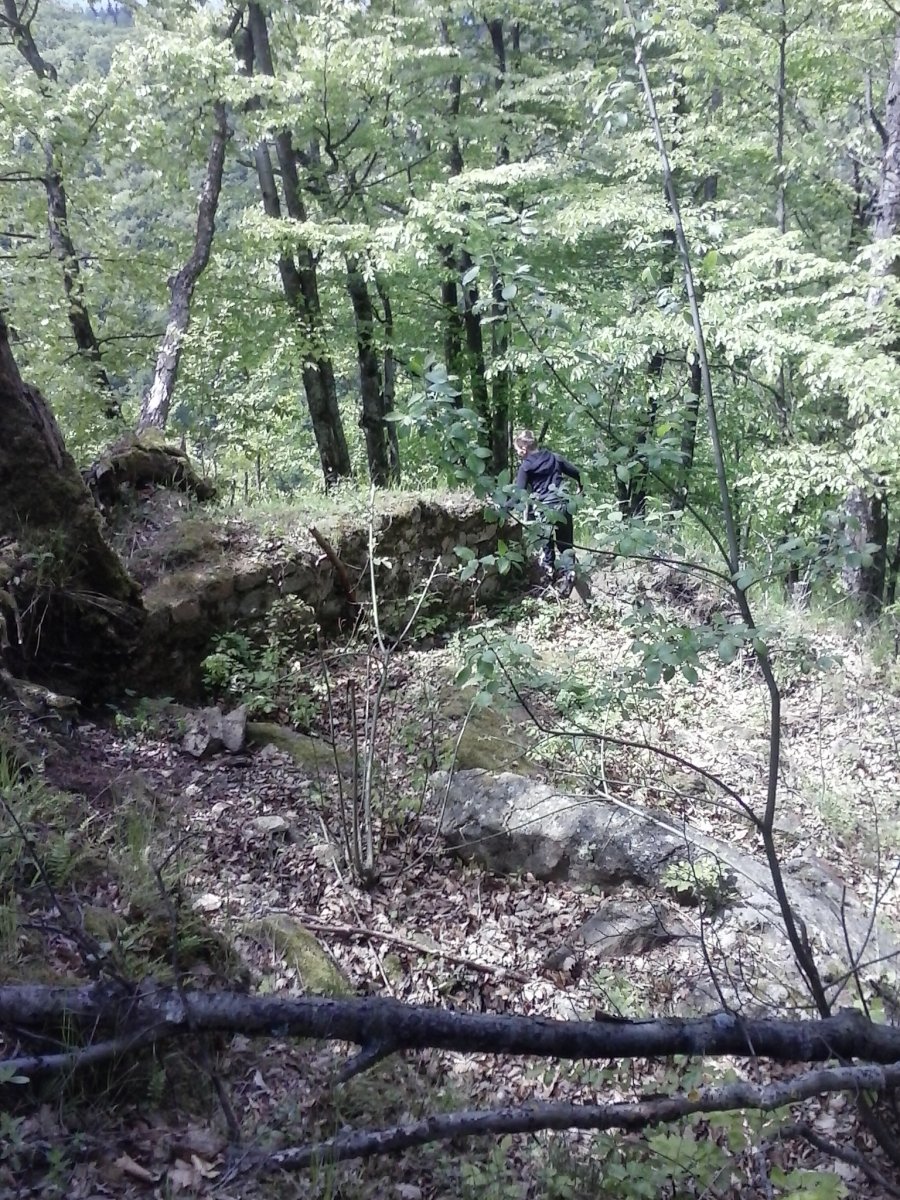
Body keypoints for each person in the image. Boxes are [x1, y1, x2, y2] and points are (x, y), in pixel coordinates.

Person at [511, 429, 583, 592]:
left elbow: (518, 494)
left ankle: (548, 576)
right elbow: (578, 474)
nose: (518, 454)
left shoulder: (526, 467)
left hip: (544, 509)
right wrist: (580, 489)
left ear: (524, 448)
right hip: (563, 506)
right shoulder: (555, 458)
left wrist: (504, 508)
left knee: (546, 545)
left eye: (518, 450)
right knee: (565, 545)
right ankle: (570, 572)